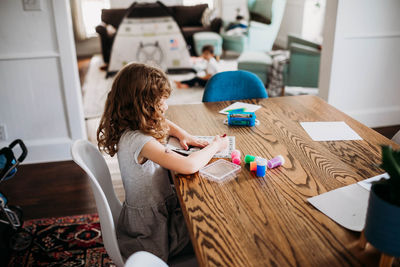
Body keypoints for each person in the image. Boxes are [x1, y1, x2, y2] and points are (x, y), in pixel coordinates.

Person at [97, 63, 228, 262]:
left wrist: (184, 135)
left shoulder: (131, 127)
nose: (165, 107)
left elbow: (164, 123)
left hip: (152, 217)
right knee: (215, 225)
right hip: (153, 232)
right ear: (144, 106)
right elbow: (189, 165)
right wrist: (215, 146)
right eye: (162, 101)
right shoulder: (141, 142)